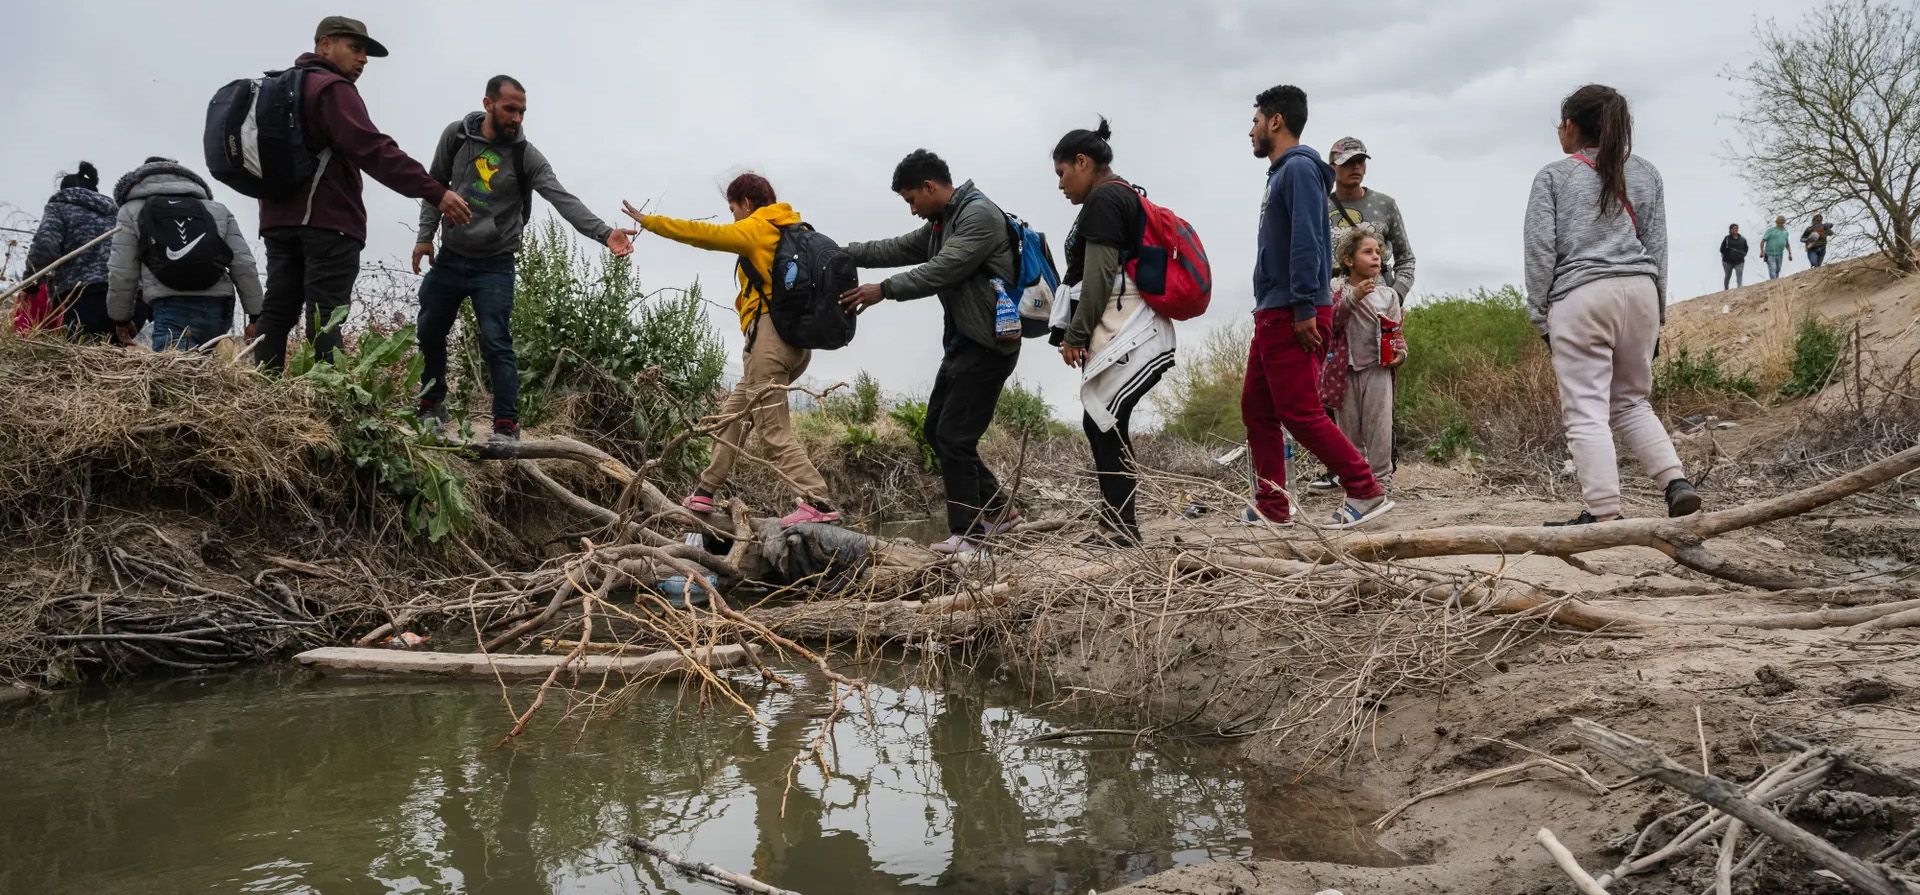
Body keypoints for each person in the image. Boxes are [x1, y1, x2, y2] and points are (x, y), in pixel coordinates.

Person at [412, 75, 635, 445]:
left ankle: (505, 426)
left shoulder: (525, 155)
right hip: (451, 257)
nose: (516, 118)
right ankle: (432, 404)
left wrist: (603, 233)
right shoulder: (456, 137)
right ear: (488, 104)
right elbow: (434, 185)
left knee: (497, 340)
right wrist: (424, 237)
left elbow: (561, 198)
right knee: (430, 329)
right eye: (509, 109)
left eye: (522, 111)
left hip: (495, 264)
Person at [252, 15, 472, 372]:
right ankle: (328, 407)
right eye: (355, 48)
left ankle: (265, 401)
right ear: (324, 45)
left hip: (278, 221)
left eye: (365, 52)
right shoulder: (331, 89)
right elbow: (373, 149)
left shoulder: (279, 88)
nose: (363, 59)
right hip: (328, 223)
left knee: (277, 312)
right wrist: (436, 192)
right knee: (326, 318)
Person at [618, 174, 840, 527]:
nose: (733, 216)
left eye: (733, 208)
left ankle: (818, 501)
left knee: (772, 430)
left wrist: (652, 223)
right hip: (796, 344)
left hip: (770, 343)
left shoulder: (757, 227)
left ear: (747, 204)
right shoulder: (793, 227)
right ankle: (706, 491)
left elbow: (703, 235)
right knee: (733, 417)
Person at [1523, 84, 1700, 526]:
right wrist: (1658, 313)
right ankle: (1675, 482)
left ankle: (1603, 512)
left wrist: (1540, 315)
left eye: (1561, 123)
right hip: (1640, 291)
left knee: (1586, 408)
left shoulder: (1553, 177)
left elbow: (1541, 251)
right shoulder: (1646, 173)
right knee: (1632, 402)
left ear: (1572, 126)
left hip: (1581, 296)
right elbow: (1656, 246)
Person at [837, 150, 1021, 554]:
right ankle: (1000, 512)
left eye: (911, 200)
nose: (912, 210)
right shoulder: (941, 223)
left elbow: (944, 269)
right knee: (936, 431)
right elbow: (895, 248)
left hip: (989, 346)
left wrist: (883, 289)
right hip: (963, 343)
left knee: (955, 436)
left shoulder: (978, 216)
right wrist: (836, 252)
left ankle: (969, 537)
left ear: (930, 187)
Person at [1240, 85, 1392, 528]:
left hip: (1293, 308)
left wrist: (1306, 307)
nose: (1250, 131)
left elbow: (1309, 241)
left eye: (1254, 121)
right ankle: (1273, 505)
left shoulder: (1300, 170)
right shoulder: (1281, 175)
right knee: (1257, 406)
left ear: (1275, 121)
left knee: (1300, 411)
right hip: (1274, 307)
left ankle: (1365, 491)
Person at [1050, 118, 1176, 547]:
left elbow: (1100, 275)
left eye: (1062, 173)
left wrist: (1076, 335)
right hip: (1133, 327)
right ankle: (1117, 524)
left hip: (1131, 329)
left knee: (1104, 420)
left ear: (1082, 162)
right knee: (1105, 420)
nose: (1061, 184)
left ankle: (1122, 528)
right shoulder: (1121, 194)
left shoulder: (1105, 200)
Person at [1308, 135, 1416, 492]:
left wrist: (1393, 298)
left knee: (1379, 400)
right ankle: (1339, 470)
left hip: (1378, 306)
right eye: (1348, 162)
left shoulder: (1385, 204)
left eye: (1361, 161)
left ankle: (1380, 474)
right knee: (1332, 394)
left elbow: (1406, 259)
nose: (1356, 168)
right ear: (1333, 166)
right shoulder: (1318, 205)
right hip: (1332, 304)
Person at [106, 158, 262, 350]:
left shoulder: (130, 211)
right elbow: (244, 264)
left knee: (174, 377)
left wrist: (121, 318)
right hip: (218, 306)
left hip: (171, 306)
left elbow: (122, 271)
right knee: (203, 375)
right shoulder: (216, 210)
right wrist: (256, 316)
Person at [1320, 225, 1400, 481]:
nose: (1376, 256)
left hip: (1378, 370)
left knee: (1380, 427)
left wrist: (1401, 354)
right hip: (1344, 371)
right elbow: (1329, 323)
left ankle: (1382, 480)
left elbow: (1396, 335)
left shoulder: (1388, 295)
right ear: (1348, 259)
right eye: (1367, 252)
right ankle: (1355, 481)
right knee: (1348, 432)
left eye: (1378, 252)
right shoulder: (1335, 289)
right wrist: (1352, 298)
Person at [26, 161, 131, 341]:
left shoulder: (60, 206)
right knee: (115, 358)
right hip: (124, 296)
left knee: (82, 356)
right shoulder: (116, 213)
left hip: (80, 294)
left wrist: (31, 282)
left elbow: (45, 246)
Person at [1761, 215, 1792, 280]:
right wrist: (1762, 251)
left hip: (1780, 254)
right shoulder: (1771, 230)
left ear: (1784, 222)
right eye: (1779, 221)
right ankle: (1774, 282)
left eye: (1782, 221)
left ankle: (1775, 283)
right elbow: (1763, 241)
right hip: (1770, 254)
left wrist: (1789, 254)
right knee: (1773, 269)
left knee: (1778, 269)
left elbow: (1787, 244)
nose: (1781, 223)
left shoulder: (1785, 232)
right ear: (1776, 222)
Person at [1719, 223, 1748, 290]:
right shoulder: (1727, 239)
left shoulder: (1742, 239)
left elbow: (1746, 248)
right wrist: (1729, 255)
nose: (1735, 230)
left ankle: (1739, 288)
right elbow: (1722, 249)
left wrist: (1743, 255)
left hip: (1739, 261)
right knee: (1728, 276)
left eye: (1736, 228)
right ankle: (1726, 289)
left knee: (1739, 276)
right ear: (1730, 230)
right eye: (1733, 228)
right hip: (1727, 262)